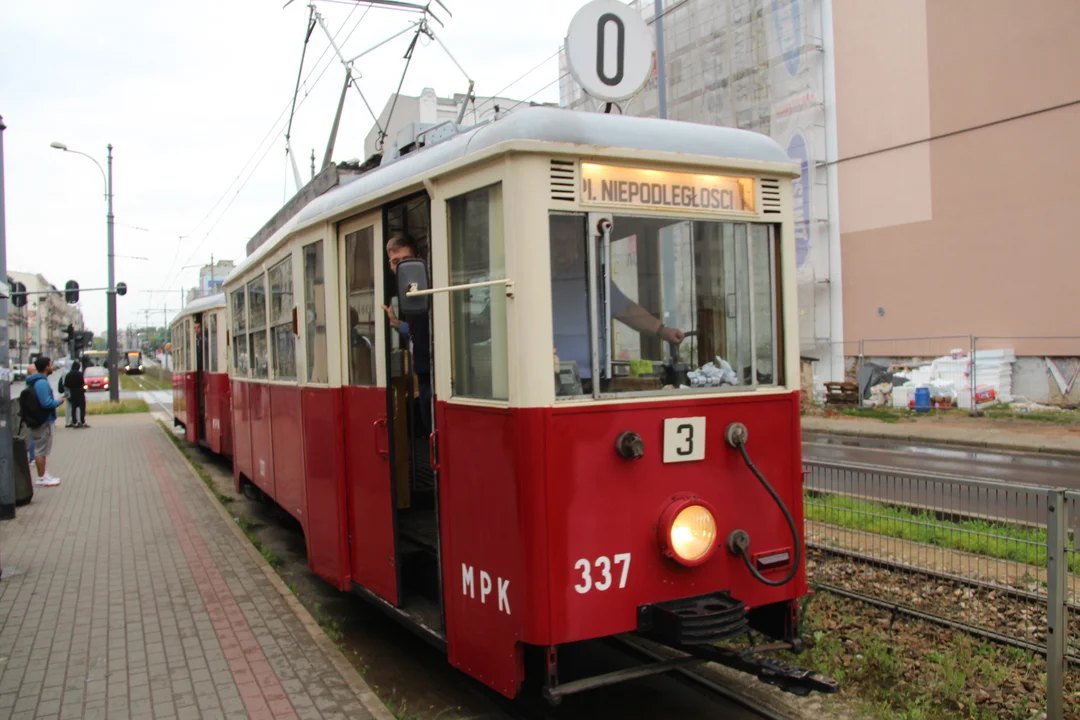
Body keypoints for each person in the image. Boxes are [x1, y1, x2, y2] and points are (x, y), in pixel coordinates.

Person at [549, 216, 685, 387]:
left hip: (593, 379)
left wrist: (662, 330)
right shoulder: (533, 276)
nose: (564, 247)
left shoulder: (591, 275)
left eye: (570, 241)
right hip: (548, 378)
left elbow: (626, 309)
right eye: (558, 240)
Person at [381, 233, 432, 436]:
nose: (401, 267)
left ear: (419, 259)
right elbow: (418, 333)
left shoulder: (425, 286)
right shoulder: (405, 294)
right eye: (396, 262)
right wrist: (398, 325)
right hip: (422, 374)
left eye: (406, 260)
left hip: (433, 375)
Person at [24, 356, 64, 487]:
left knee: (42, 449)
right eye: (50, 364)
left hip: (41, 419)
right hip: (43, 420)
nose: (52, 367)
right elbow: (46, 403)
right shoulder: (42, 383)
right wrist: (59, 401)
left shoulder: (38, 381)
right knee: (41, 450)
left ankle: (44, 474)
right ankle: (41, 478)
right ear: (46, 367)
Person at [64, 360, 88, 428]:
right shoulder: (80, 374)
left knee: (73, 408)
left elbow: (66, 385)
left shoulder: (68, 375)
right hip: (80, 392)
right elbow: (82, 383)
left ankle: (75, 422)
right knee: (82, 408)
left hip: (72, 393)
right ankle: (82, 421)